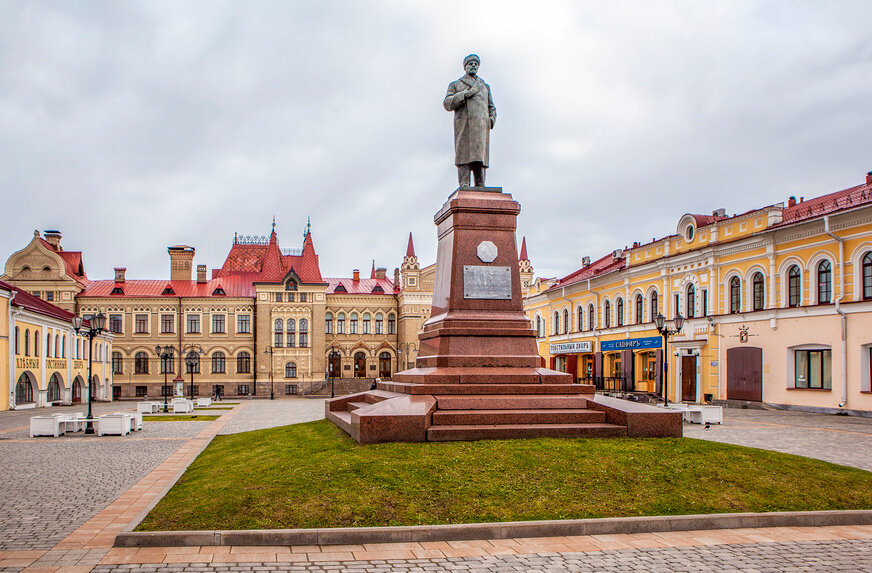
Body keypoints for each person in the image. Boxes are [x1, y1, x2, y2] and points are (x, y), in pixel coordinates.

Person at [443, 54, 497, 188]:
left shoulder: (485, 87)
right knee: (464, 154)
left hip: (481, 126)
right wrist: (464, 94)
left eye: (475, 64)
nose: (473, 65)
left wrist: (490, 120)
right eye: (470, 63)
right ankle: (464, 182)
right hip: (464, 126)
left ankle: (480, 184)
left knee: (480, 157)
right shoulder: (456, 85)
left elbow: (492, 107)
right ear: (465, 66)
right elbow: (447, 104)